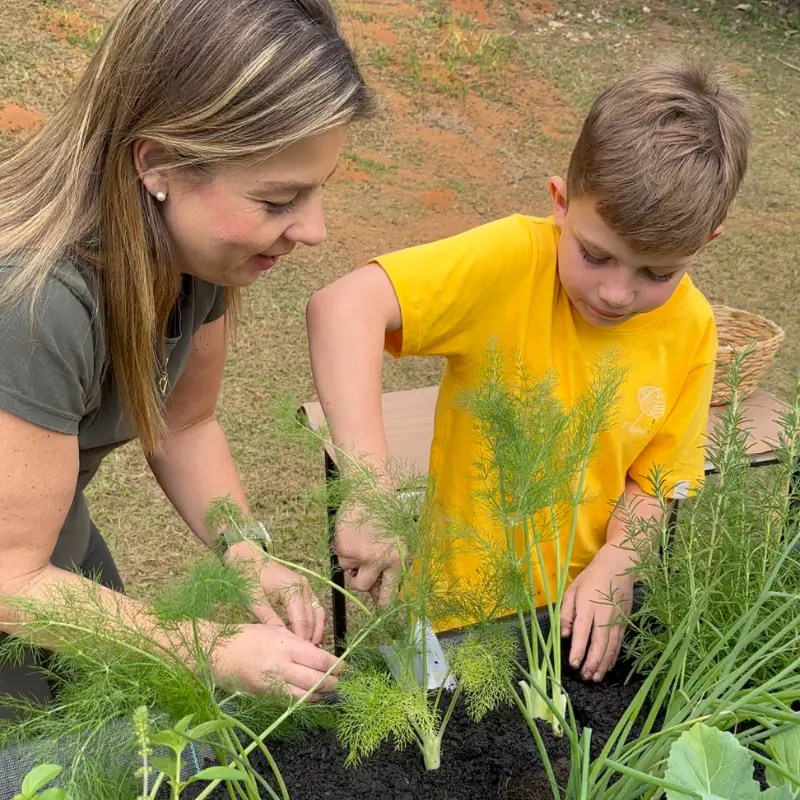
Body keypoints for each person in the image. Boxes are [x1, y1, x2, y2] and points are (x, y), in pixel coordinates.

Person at [306, 57, 750, 681]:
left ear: (705, 243)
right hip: (449, 611)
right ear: (561, 203)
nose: (617, 294)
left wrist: (617, 566)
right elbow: (341, 309)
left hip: (573, 618)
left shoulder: (691, 325)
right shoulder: (515, 262)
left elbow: (657, 479)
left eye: (656, 272)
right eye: (596, 255)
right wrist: (369, 488)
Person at [0, 0, 377, 714]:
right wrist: (209, 647)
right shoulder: (32, 303)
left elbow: (187, 422)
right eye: (278, 197)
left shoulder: (196, 256)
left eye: (318, 188)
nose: (316, 230)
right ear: (159, 164)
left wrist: (245, 552)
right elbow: (12, 580)